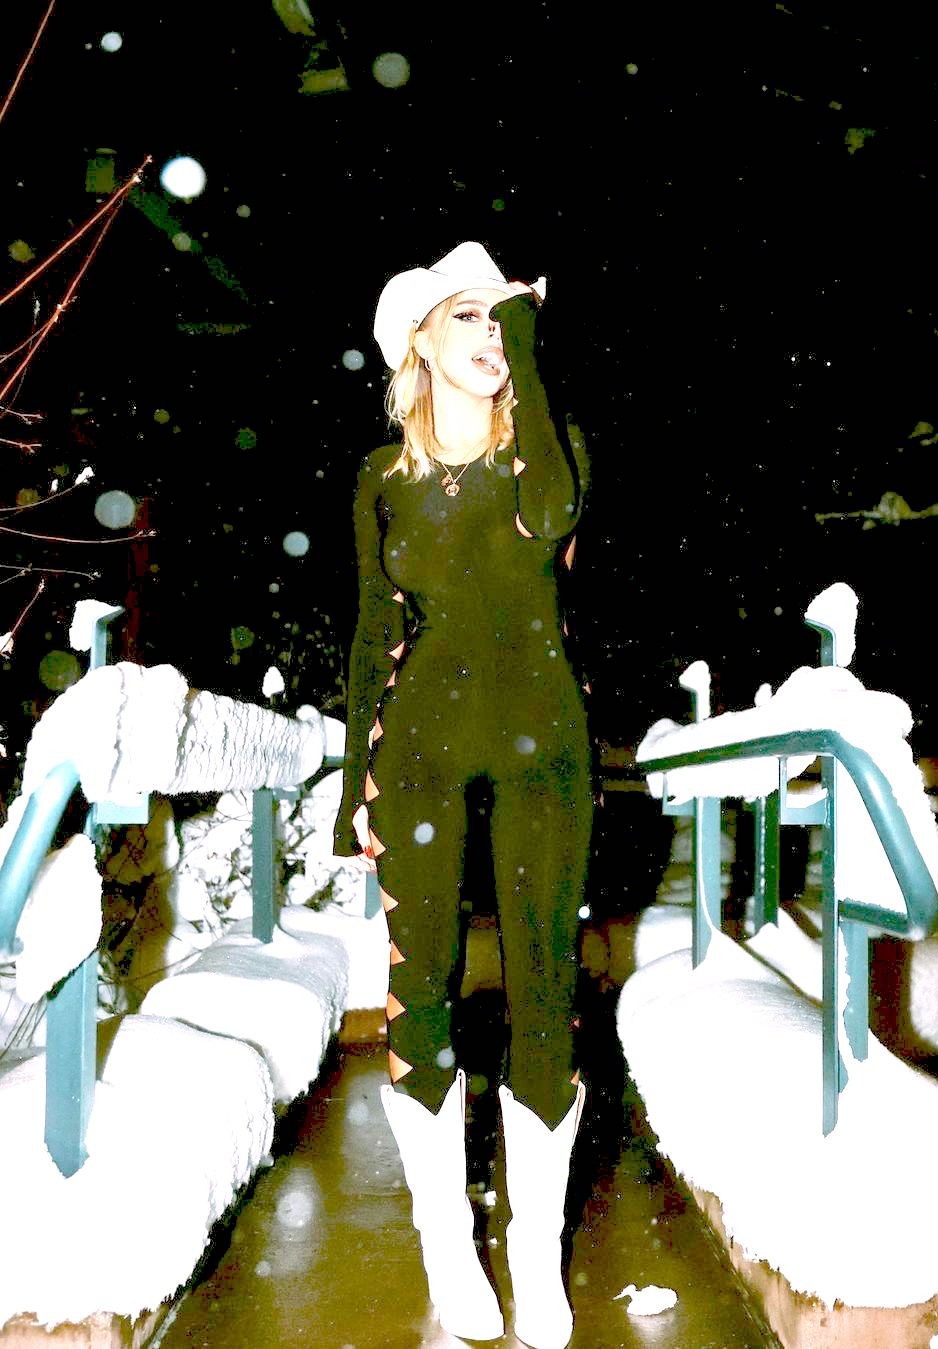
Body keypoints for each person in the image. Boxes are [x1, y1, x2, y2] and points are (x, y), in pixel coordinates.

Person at [333, 241, 593, 1349]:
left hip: (546, 744)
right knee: (422, 990)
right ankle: (447, 1240)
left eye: (505, 319)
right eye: (469, 317)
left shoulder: (547, 450)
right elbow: (371, 632)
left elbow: (552, 514)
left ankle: (535, 1253)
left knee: (544, 983)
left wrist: (525, 342)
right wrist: (354, 782)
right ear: (418, 344)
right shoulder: (380, 481)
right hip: (422, 747)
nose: (491, 335)